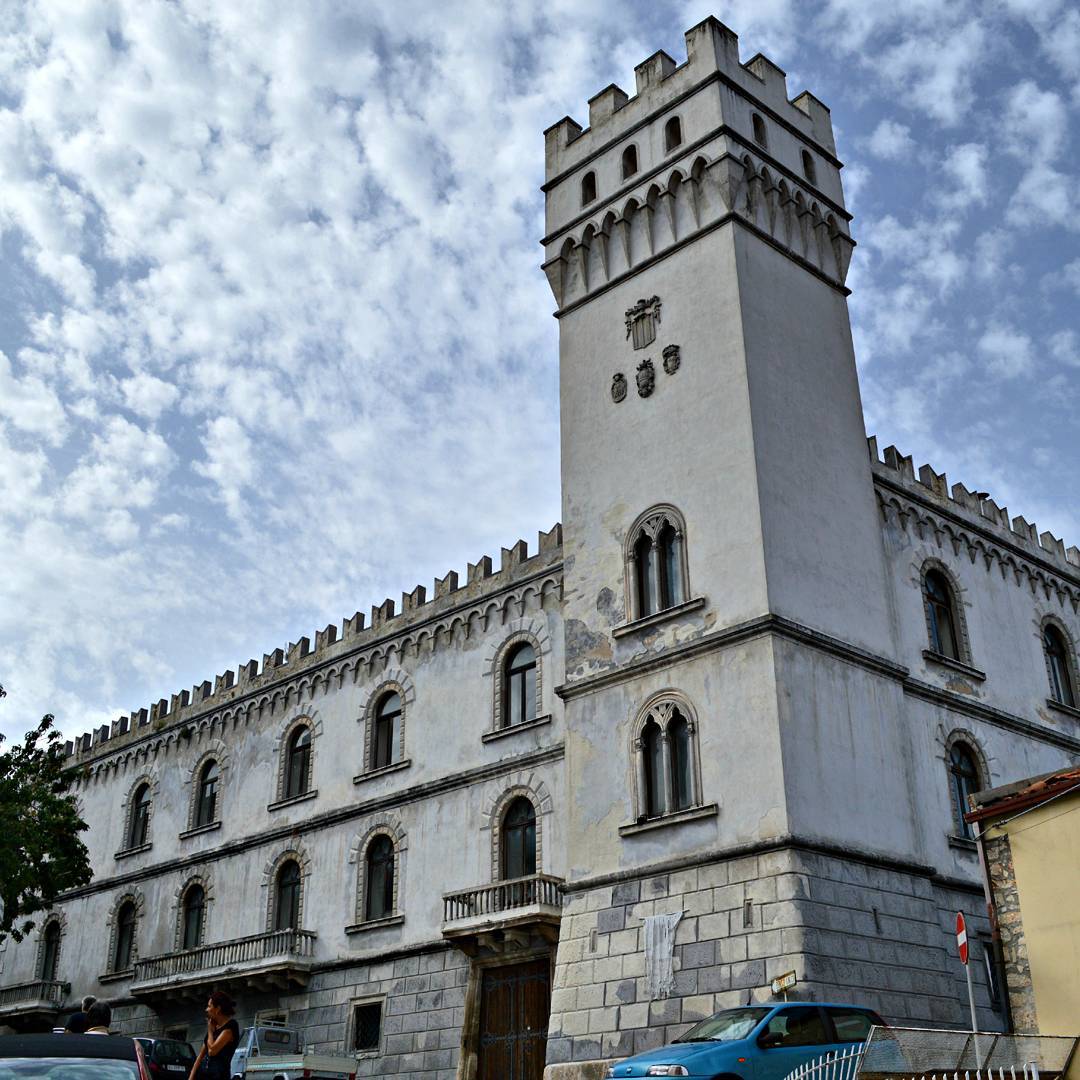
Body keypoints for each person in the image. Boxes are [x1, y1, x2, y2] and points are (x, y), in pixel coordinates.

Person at [188, 990, 239, 1080]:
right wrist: (191, 1077)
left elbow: (212, 1051)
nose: (206, 1010)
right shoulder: (214, 1027)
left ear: (218, 1009)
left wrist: (210, 1031)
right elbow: (200, 1056)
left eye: (209, 1006)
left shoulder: (230, 1027)